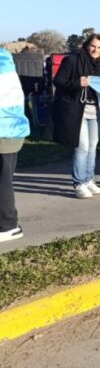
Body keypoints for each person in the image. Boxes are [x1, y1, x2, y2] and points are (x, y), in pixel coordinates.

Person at [52, 33, 100, 199]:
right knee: (82, 147)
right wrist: (79, 83)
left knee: (92, 147)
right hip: (76, 111)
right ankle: (79, 183)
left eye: (99, 47)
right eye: (93, 46)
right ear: (86, 46)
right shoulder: (72, 60)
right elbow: (58, 81)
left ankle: (89, 179)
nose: (96, 50)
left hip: (96, 110)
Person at [0, 47, 29, 243]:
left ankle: (8, 225)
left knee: (2, 180)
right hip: (10, 128)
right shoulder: (5, 59)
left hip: (4, 128)